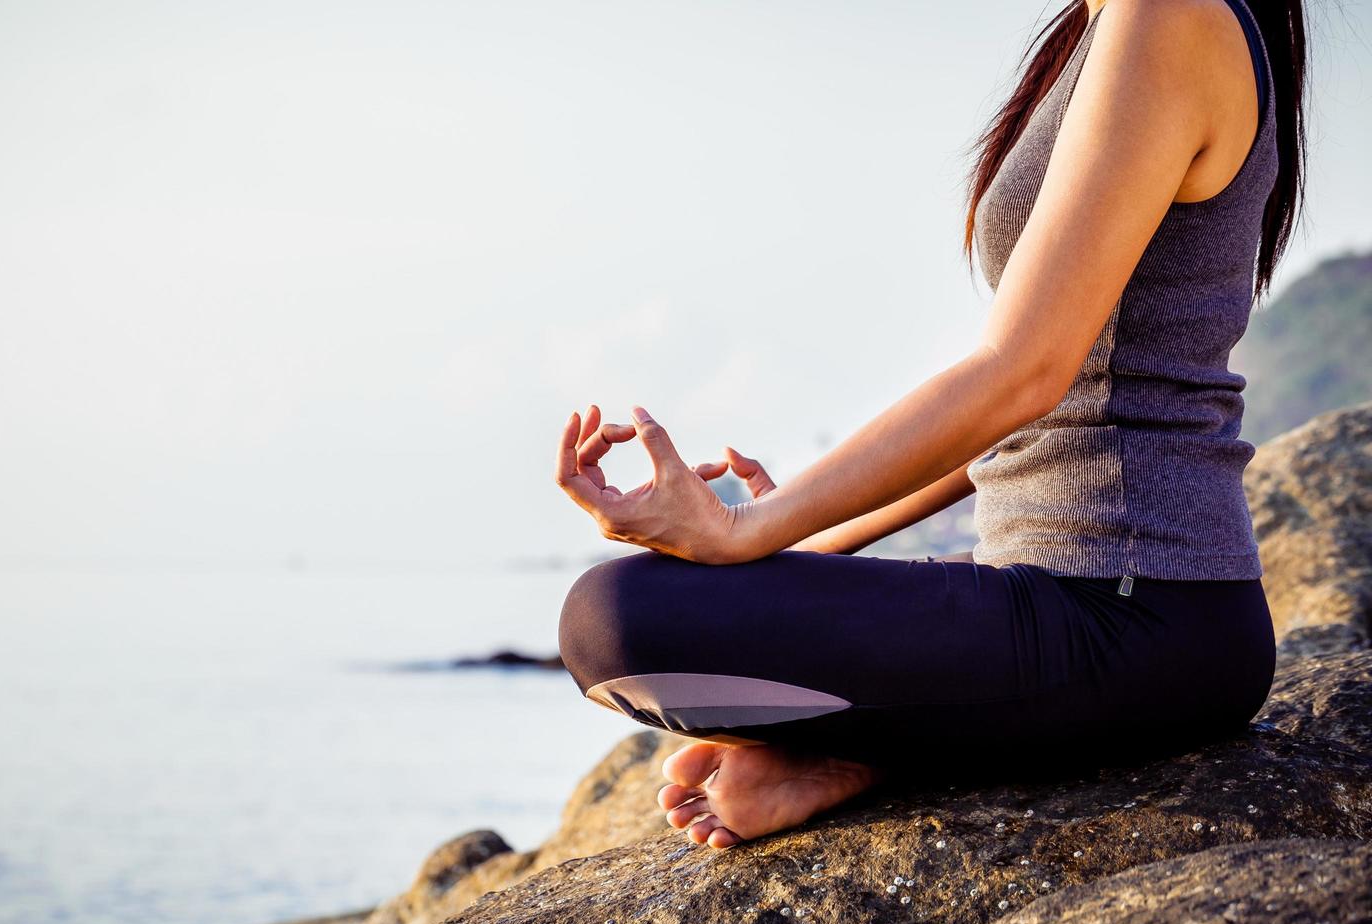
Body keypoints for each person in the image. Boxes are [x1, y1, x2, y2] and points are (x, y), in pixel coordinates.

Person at [553, 0, 1307, 850]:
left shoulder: (1166, 16)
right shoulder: (1100, 30)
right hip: (1079, 596)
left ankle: (878, 745)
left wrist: (744, 528)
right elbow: (1033, 400)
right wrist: (793, 540)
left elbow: (1021, 373)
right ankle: (874, 748)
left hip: (1143, 614)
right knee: (642, 610)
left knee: (610, 618)